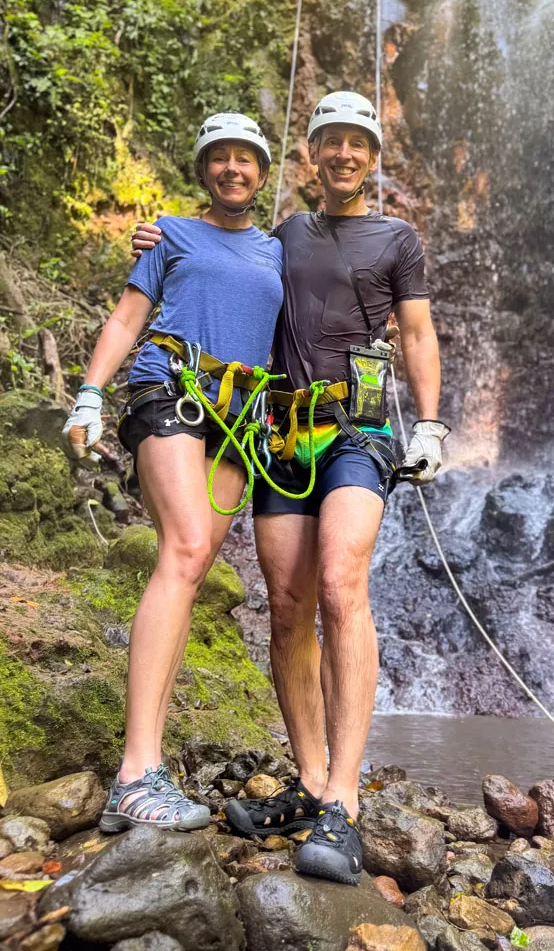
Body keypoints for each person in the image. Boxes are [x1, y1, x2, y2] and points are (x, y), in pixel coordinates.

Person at [131, 91, 449, 882]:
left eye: (357, 143)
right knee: (286, 606)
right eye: (329, 142)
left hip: (359, 427)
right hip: (278, 431)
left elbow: (416, 331)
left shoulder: (398, 237)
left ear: (374, 157)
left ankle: (343, 800)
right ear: (310, 155)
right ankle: (310, 780)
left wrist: (434, 424)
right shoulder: (283, 234)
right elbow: (221, 252)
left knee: (341, 585)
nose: (342, 154)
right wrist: (159, 237)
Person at [63, 112, 283, 832]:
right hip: (170, 394)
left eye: (243, 159)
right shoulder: (169, 234)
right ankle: (135, 770)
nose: (231, 169)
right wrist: (90, 393)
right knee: (186, 550)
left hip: (239, 422)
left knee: (188, 567)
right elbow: (128, 319)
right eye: (217, 159)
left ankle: (146, 768)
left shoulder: (277, 251)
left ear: (261, 170)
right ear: (204, 173)